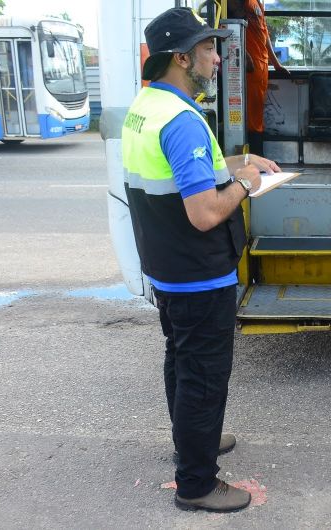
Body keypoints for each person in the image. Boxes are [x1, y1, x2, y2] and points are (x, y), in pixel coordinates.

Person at [121, 6, 281, 512]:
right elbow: (206, 212)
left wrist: (239, 161)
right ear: (181, 57)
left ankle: (191, 441)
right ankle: (197, 483)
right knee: (204, 377)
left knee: (181, 363)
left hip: (166, 268)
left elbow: (190, 171)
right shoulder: (183, 120)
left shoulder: (148, 106)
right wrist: (245, 183)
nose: (218, 57)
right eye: (209, 48)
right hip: (197, 274)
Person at [227, 0, 290, 155]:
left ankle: (257, 160)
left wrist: (275, 63)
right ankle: (256, 160)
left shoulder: (257, 3)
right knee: (252, 119)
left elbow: (264, 32)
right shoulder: (237, 2)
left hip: (262, 65)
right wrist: (244, 55)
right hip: (250, 67)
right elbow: (232, 28)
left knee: (257, 114)